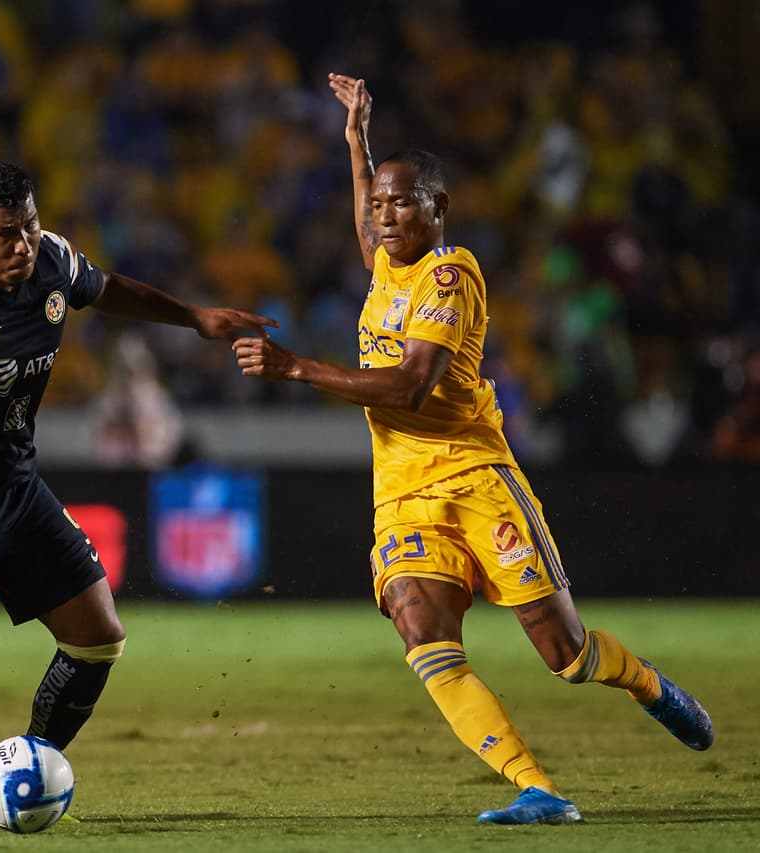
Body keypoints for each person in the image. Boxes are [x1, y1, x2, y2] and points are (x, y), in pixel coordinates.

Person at [231, 75, 713, 826]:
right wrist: (356, 138)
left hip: (475, 478)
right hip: (402, 494)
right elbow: (364, 208)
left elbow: (410, 386)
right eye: (379, 205)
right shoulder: (385, 261)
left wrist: (295, 368)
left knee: (566, 655)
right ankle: (537, 788)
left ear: (439, 207)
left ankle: (646, 683)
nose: (385, 216)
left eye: (402, 203)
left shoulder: (451, 276)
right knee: (420, 631)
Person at [0, 161, 276, 772]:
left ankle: (35, 764)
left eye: (30, 226)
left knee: (99, 639)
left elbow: (107, 289)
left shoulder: (53, 259)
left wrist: (193, 317)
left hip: (15, 487)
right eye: (5, 234)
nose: (24, 245)